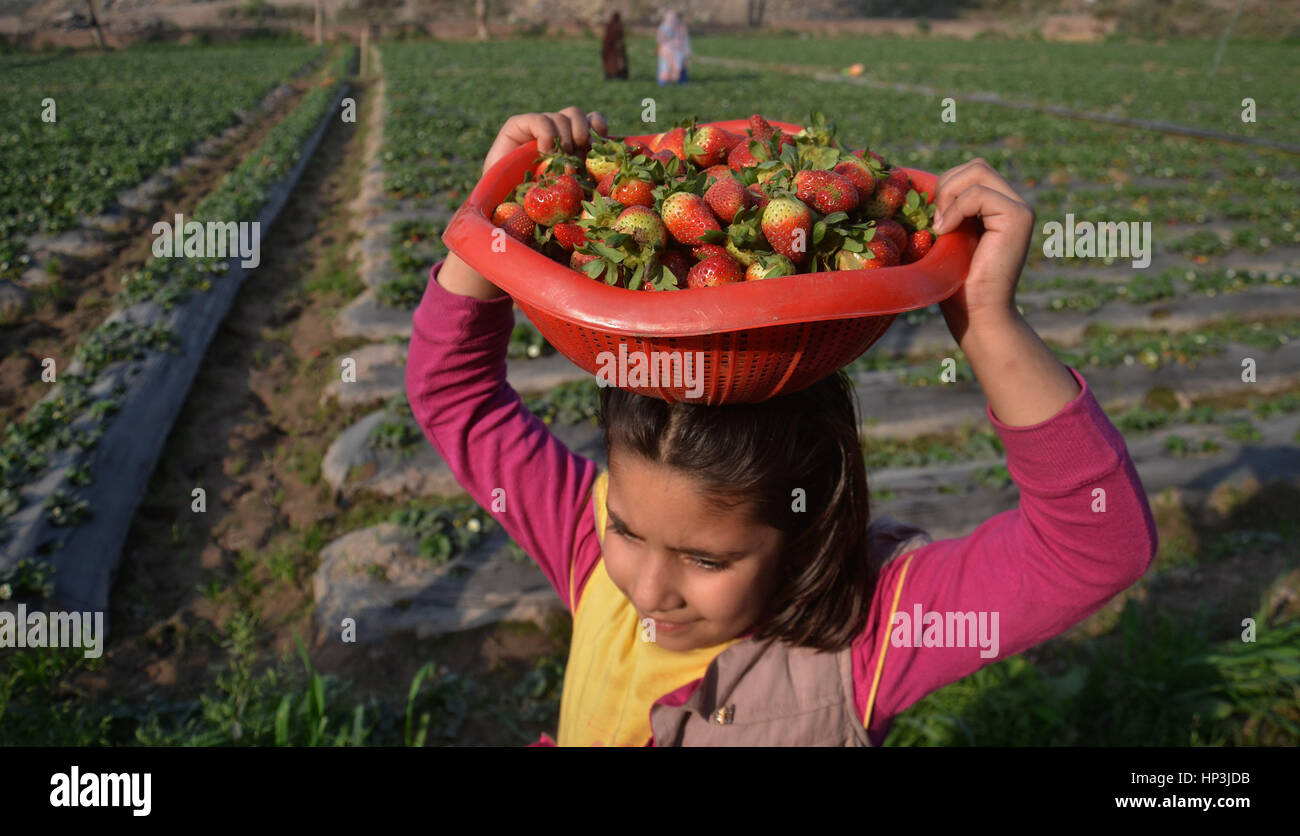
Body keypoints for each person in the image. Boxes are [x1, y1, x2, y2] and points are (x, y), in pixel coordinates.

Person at [408, 109, 1159, 746]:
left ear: (805, 531)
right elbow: (454, 398)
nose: (648, 589)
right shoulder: (587, 544)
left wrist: (987, 318)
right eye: (629, 531)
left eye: (707, 561)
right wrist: (499, 210)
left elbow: (1094, 548)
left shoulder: (861, 645)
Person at [656, 9, 690, 85]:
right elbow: (660, 39)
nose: (671, 20)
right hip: (666, 53)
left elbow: (686, 42)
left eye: (673, 18)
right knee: (664, 68)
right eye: (668, 18)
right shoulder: (663, 28)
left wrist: (687, 54)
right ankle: (663, 82)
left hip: (679, 53)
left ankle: (682, 81)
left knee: (680, 67)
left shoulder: (682, 29)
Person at [601, 12, 628, 80]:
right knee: (614, 62)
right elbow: (616, 38)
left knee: (614, 62)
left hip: (610, 48)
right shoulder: (616, 26)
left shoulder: (611, 25)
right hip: (611, 48)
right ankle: (614, 75)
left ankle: (613, 75)